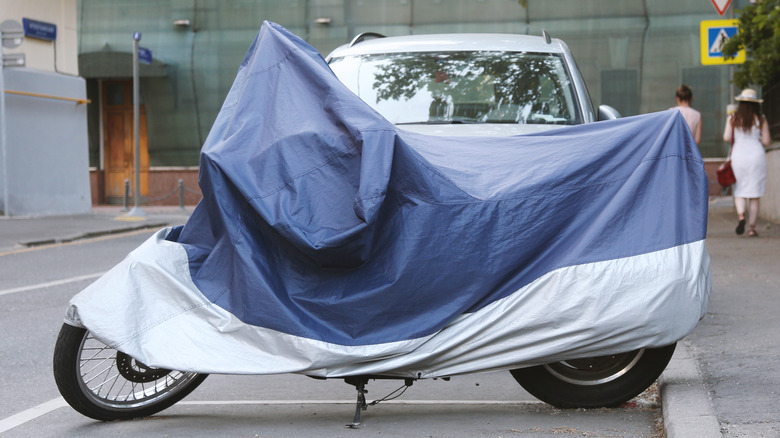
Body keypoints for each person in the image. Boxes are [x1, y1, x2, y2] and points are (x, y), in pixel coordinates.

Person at [723, 88, 772, 237]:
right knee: (754, 194)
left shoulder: (733, 118)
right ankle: (751, 228)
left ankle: (741, 216)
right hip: (756, 156)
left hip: (739, 156)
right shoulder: (761, 118)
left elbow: (726, 137)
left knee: (740, 191)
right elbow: (767, 141)